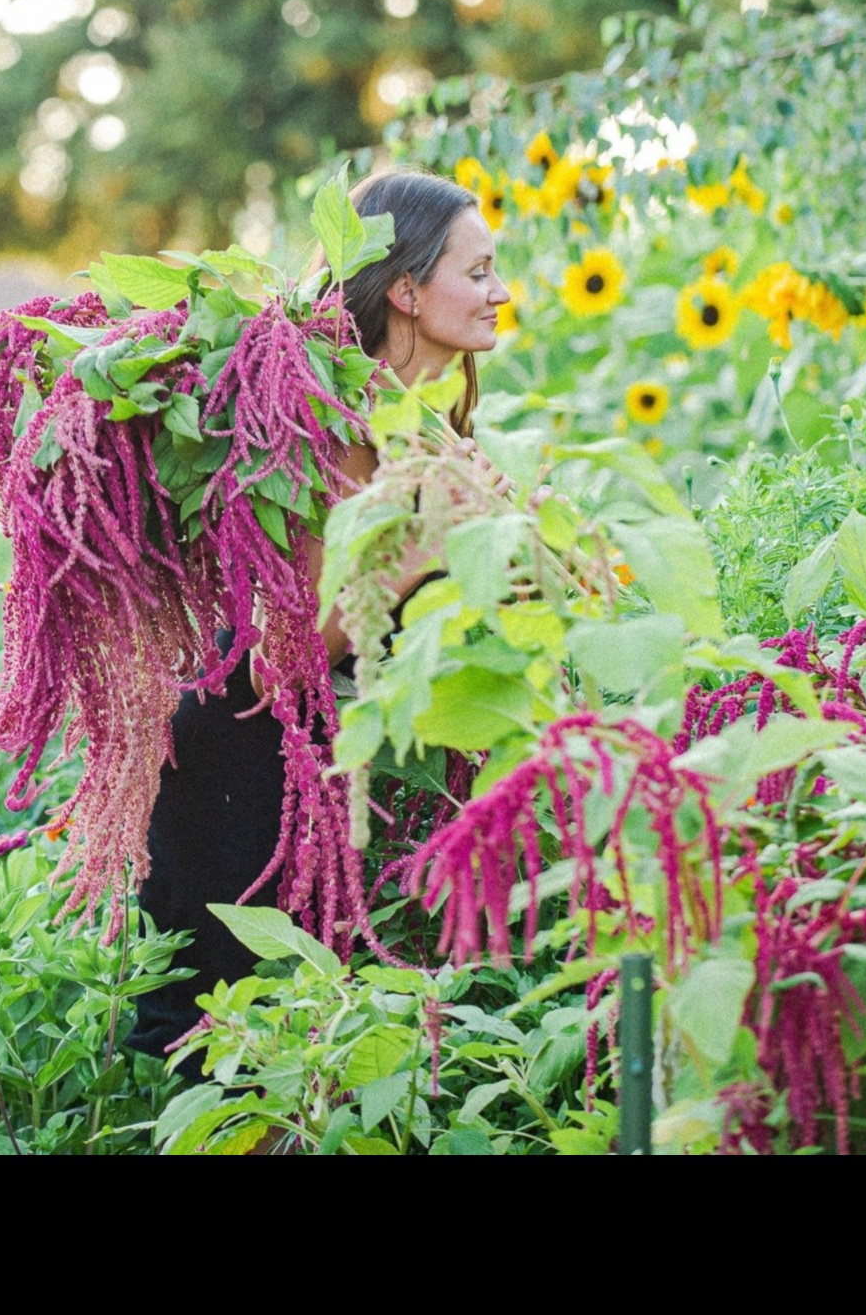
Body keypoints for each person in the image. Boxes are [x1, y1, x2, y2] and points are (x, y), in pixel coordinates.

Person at [126, 168, 509, 1062]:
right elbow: (278, 652)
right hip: (247, 779)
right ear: (407, 290)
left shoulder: (418, 422)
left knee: (322, 1072)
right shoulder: (321, 421)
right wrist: (429, 541)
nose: (501, 293)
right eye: (480, 272)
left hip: (318, 782)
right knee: (249, 1080)